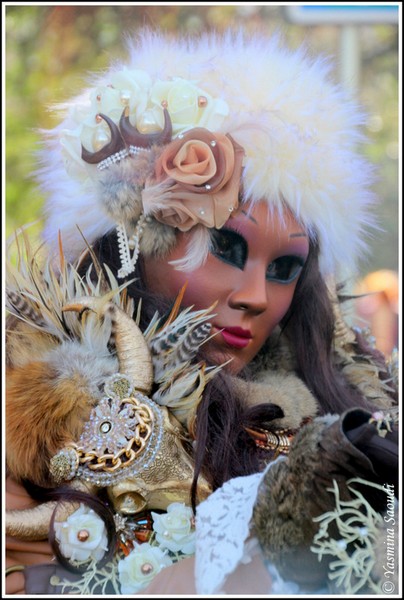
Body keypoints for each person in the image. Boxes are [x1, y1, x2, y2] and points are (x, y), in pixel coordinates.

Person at [5, 28, 399, 595]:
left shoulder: (348, 409)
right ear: (137, 240)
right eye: (227, 248)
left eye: (285, 268)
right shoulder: (34, 412)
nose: (256, 296)